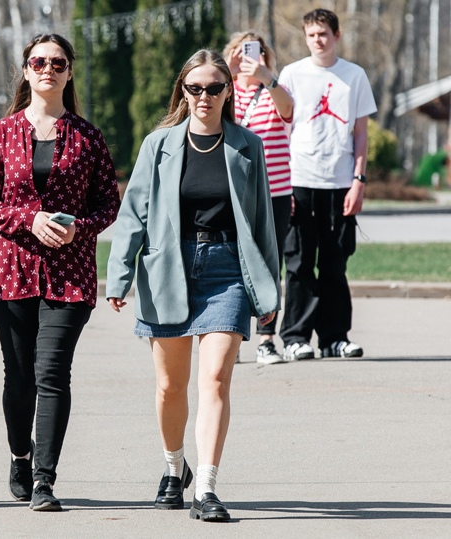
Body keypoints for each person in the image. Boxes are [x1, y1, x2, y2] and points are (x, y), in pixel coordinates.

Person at [106, 49, 280, 521]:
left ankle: (206, 486)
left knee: (217, 378)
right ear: (183, 91)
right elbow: (134, 216)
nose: (204, 96)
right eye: (195, 88)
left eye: (215, 88)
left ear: (228, 92)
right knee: (169, 386)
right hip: (168, 269)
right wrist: (119, 276)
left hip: (227, 270)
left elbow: (263, 221)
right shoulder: (158, 144)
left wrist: (270, 290)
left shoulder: (247, 146)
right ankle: (172, 467)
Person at [0, 33, 120, 512]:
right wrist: (28, 219)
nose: (48, 69)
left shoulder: (88, 136)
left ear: (69, 72)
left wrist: (79, 227)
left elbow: (109, 204)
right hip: (12, 272)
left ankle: (44, 479)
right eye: (39, 61)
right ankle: (20, 455)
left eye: (58, 63)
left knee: (52, 374)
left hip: (70, 273)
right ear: (26, 70)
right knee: (18, 378)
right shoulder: (1, 133)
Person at [277, 8, 377, 361]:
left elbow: (361, 134)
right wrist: (283, 186)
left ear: (336, 36)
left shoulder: (354, 76)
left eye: (323, 34)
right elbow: (281, 130)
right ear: (305, 38)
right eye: (311, 35)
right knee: (300, 264)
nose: (318, 40)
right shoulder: (291, 74)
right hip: (299, 181)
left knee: (335, 264)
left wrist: (358, 181)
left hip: (340, 182)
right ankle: (295, 338)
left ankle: (335, 337)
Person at [223, 32, 294, 365]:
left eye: (255, 51)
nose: (247, 57)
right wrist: (226, 71)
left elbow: (288, 109)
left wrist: (267, 77)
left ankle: (267, 339)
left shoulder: (273, 90)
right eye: (241, 51)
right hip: (235, 193)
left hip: (275, 192)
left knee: (269, 264)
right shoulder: (223, 92)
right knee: (234, 262)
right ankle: (233, 336)